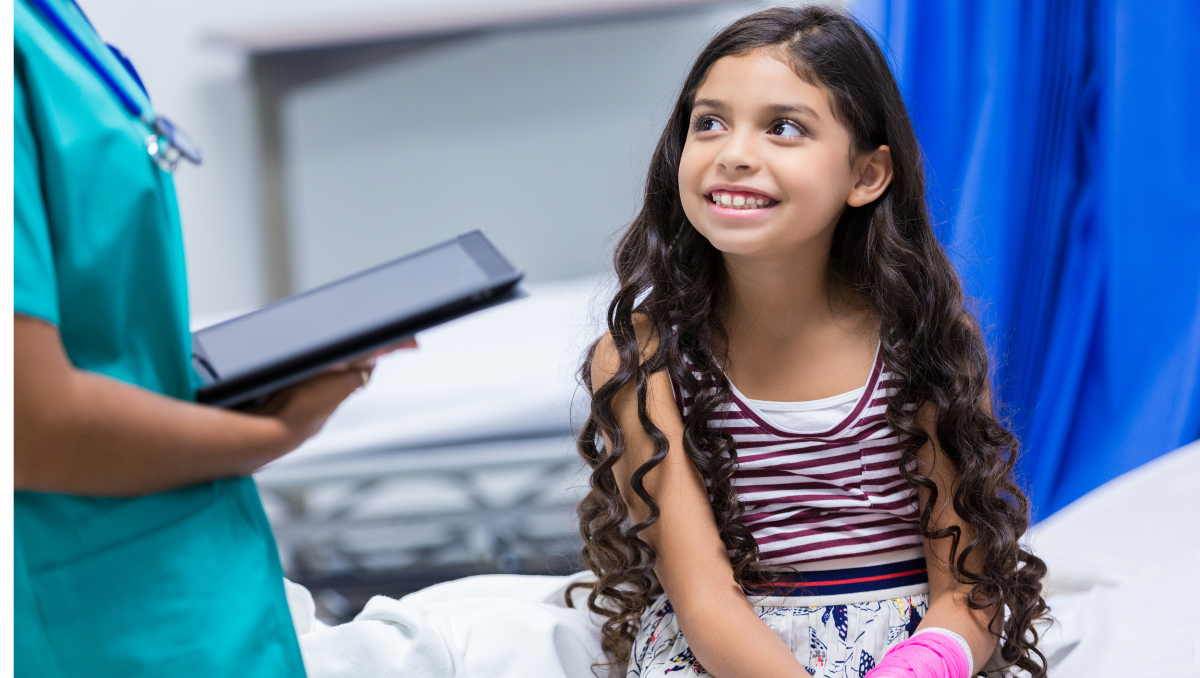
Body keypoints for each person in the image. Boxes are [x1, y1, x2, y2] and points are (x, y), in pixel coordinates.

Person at [570, 7, 1049, 678]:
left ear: (867, 175)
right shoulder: (640, 359)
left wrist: (921, 664)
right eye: (709, 123)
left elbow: (968, 589)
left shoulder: (923, 341)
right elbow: (707, 604)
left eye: (783, 127)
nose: (733, 153)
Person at [13, 0, 408, 675]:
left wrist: (236, 382)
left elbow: (94, 334)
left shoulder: (44, 23)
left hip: (172, 584)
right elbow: (29, 424)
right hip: (88, 612)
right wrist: (276, 433)